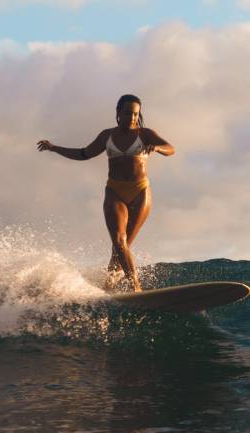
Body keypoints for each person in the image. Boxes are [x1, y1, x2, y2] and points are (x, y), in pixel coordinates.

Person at [37, 94, 175, 292]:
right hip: (115, 191)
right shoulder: (107, 135)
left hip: (140, 191)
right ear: (118, 113)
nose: (132, 118)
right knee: (119, 242)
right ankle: (136, 286)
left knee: (121, 247)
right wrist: (54, 148)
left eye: (136, 114)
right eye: (128, 113)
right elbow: (84, 154)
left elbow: (171, 148)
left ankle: (108, 287)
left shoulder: (145, 134)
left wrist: (158, 148)